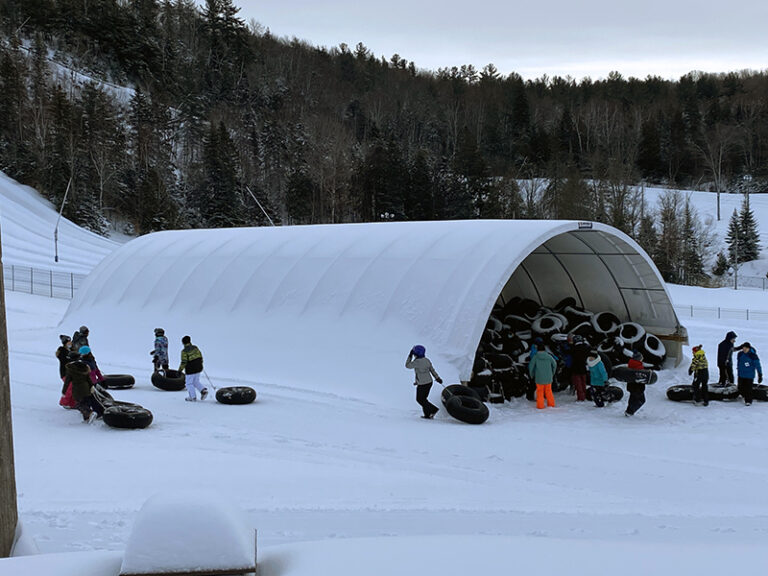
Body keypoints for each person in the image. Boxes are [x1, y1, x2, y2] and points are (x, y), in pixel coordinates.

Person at [405, 345, 442, 419]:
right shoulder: (426, 360)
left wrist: (410, 355)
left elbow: (407, 365)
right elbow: (432, 370)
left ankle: (433, 409)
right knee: (423, 399)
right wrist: (437, 378)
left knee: (420, 399)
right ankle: (427, 415)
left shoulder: (417, 362)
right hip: (429, 382)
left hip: (423, 384)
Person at [65, 354, 104, 423]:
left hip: (78, 389)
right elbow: (89, 377)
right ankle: (98, 413)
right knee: (91, 400)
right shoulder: (84, 366)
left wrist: (64, 391)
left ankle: (89, 414)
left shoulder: (71, 369)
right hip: (88, 386)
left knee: (79, 404)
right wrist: (92, 385)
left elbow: (67, 381)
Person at [528, 339, 557, 409]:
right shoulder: (549, 356)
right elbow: (555, 364)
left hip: (539, 378)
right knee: (549, 391)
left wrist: (531, 374)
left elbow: (531, 366)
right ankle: (551, 404)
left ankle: (540, 405)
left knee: (540, 392)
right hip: (548, 377)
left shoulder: (535, 357)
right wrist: (552, 373)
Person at [179, 335, 207, 402]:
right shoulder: (195, 348)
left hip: (190, 368)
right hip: (199, 366)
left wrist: (179, 370)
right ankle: (203, 391)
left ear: (183, 343)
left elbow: (184, 362)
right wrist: (201, 364)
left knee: (188, 383)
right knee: (195, 381)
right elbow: (200, 356)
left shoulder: (184, 351)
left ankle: (192, 397)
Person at [736, 342, 762, 406]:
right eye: (743, 348)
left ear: (749, 348)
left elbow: (758, 365)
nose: (744, 349)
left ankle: (748, 400)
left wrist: (760, 374)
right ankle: (743, 395)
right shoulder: (740, 354)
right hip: (741, 374)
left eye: (746, 348)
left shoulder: (753, 355)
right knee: (740, 387)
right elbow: (739, 362)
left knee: (748, 388)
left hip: (749, 375)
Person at [625, 351, 646, 416]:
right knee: (641, 400)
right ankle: (630, 411)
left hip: (631, 386)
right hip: (638, 388)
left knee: (632, 399)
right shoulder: (639, 367)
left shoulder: (631, 365)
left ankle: (628, 411)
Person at [570, 335, 590, 401]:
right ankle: (585, 394)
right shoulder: (586, 347)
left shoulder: (573, 348)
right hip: (584, 367)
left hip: (576, 368)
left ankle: (581, 397)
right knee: (583, 383)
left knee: (578, 384)